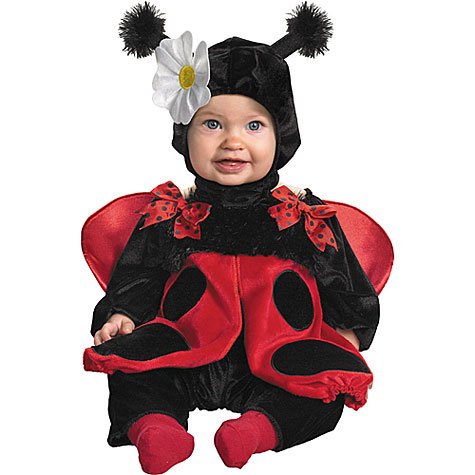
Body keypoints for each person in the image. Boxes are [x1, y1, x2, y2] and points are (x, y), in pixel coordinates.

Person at [83, 3, 381, 474]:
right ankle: (157, 429)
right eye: (212, 124)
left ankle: (255, 431)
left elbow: (342, 276)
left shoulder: (300, 216)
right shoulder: (172, 213)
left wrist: (349, 329)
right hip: (183, 344)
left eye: (254, 125)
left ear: (282, 137)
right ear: (184, 134)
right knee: (131, 373)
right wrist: (122, 314)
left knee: (325, 392)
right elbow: (140, 271)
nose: (232, 141)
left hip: (278, 353)